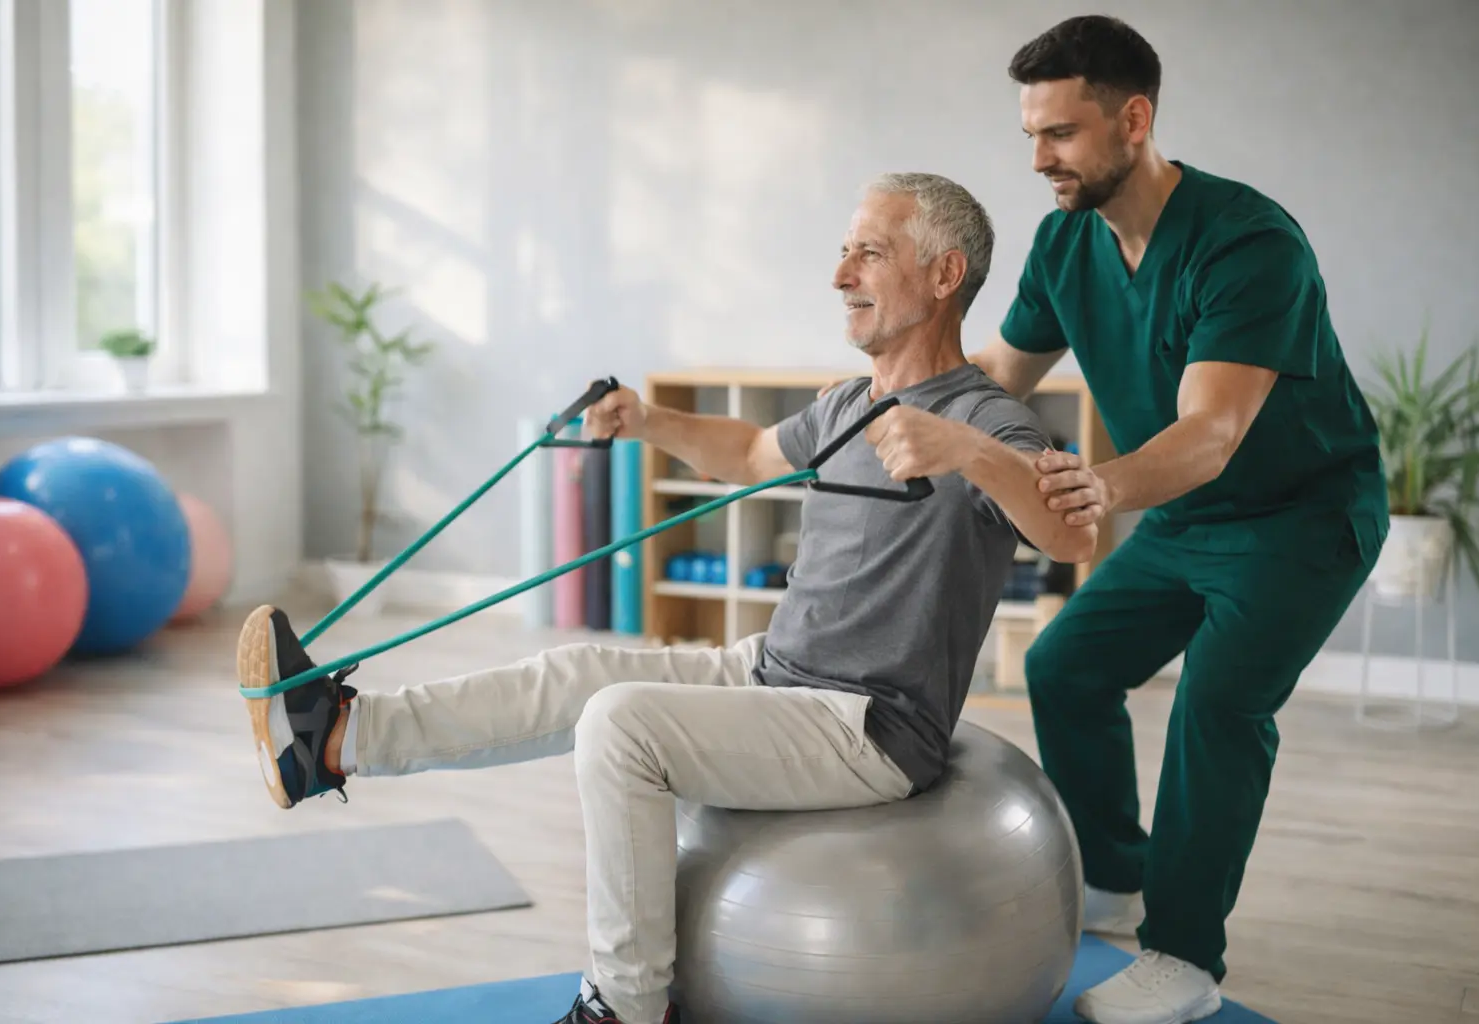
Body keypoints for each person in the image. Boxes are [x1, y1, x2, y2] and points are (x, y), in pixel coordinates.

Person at [237, 172, 1096, 1024]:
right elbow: (755, 451)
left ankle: (625, 1006)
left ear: (945, 276)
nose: (840, 277)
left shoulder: (991, 419)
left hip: (866, 723)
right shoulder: (847, 403)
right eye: (843, 253)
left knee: (623, 723)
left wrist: (969, 453)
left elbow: (1072, 539)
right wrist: (649, 420)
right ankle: (339, 740)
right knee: (580, 674)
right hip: (776, 673)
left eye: (868, 255)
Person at [968, 15, 1391, 1024]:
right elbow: (1001, 375)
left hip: (1301, 515)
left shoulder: (1248, 241)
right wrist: (891, 398)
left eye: (1060, 134)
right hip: (1187, 514)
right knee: (1064, 665)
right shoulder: (1066, 242)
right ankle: (1115, 872)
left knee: (1218, 704)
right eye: (1030, 134)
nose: (1038, 160)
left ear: (1134, 119)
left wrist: (1104, 488)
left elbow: (1210, 431)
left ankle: (1187, 956)